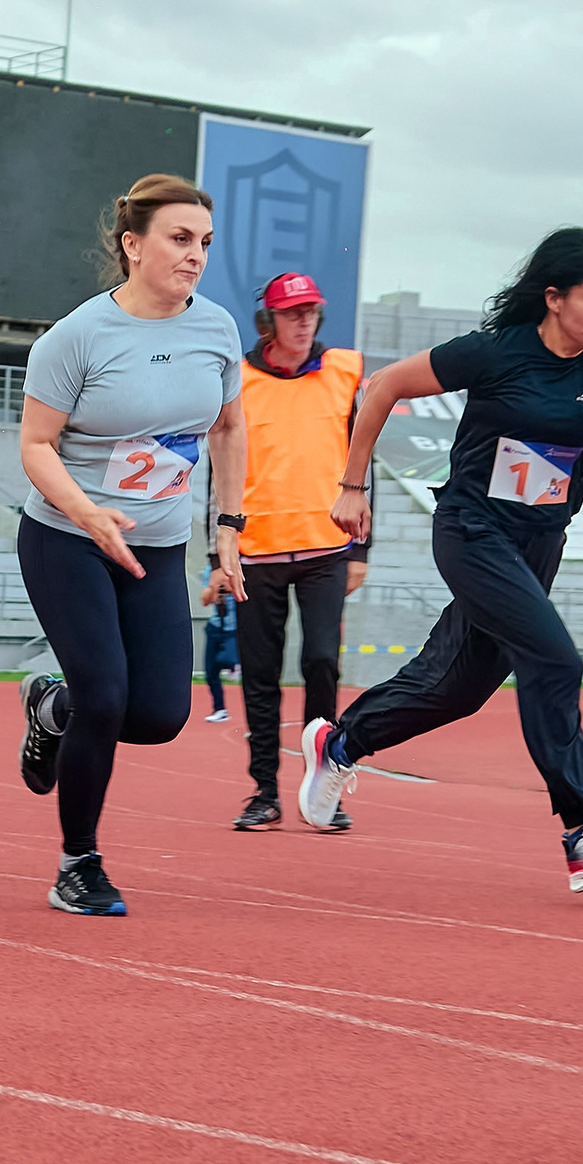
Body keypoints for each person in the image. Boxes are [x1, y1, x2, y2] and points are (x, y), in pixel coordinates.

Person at [299, 227, 583, 893]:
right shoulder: (495, 353)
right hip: (472, 530)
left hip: (537, 544)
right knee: (555, 660)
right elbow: (381, 387)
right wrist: (352, 488)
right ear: (553, 297)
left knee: (459, 688)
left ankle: (339, 744)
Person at [13, 173, 247, 916]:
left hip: (159, 543)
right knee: (107, 697)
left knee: (158, 714)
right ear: (132, 244)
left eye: (205, 243)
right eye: (180, 239)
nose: (195, 256)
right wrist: (89, 513)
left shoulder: (216, 328)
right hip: (67, 537)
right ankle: (77, 863)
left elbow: (230, 428)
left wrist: (228, 530)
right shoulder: (78, 337)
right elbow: (36, 445)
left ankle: (52, 708)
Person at [213, 271, 370, 832]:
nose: (304, 322)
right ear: (269, 321)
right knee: (259, 674)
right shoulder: (239, 381)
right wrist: (218, 555)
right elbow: (220, 470)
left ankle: (324, 784)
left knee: (322, 661)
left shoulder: (344, 372)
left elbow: (362, 457)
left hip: (328, 545)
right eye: (291, 313)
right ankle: (264, 792)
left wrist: (361, 549)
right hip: (256, 551)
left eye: (310, 312)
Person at [201, 589, 236, 722]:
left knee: (226, 660)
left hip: (234, 630)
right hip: (215, 628)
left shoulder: (241, 572)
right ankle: (220, 709)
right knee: (211, 672)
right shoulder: (209, 572)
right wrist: (214, 590)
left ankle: (233, 665)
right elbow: (205, 600)